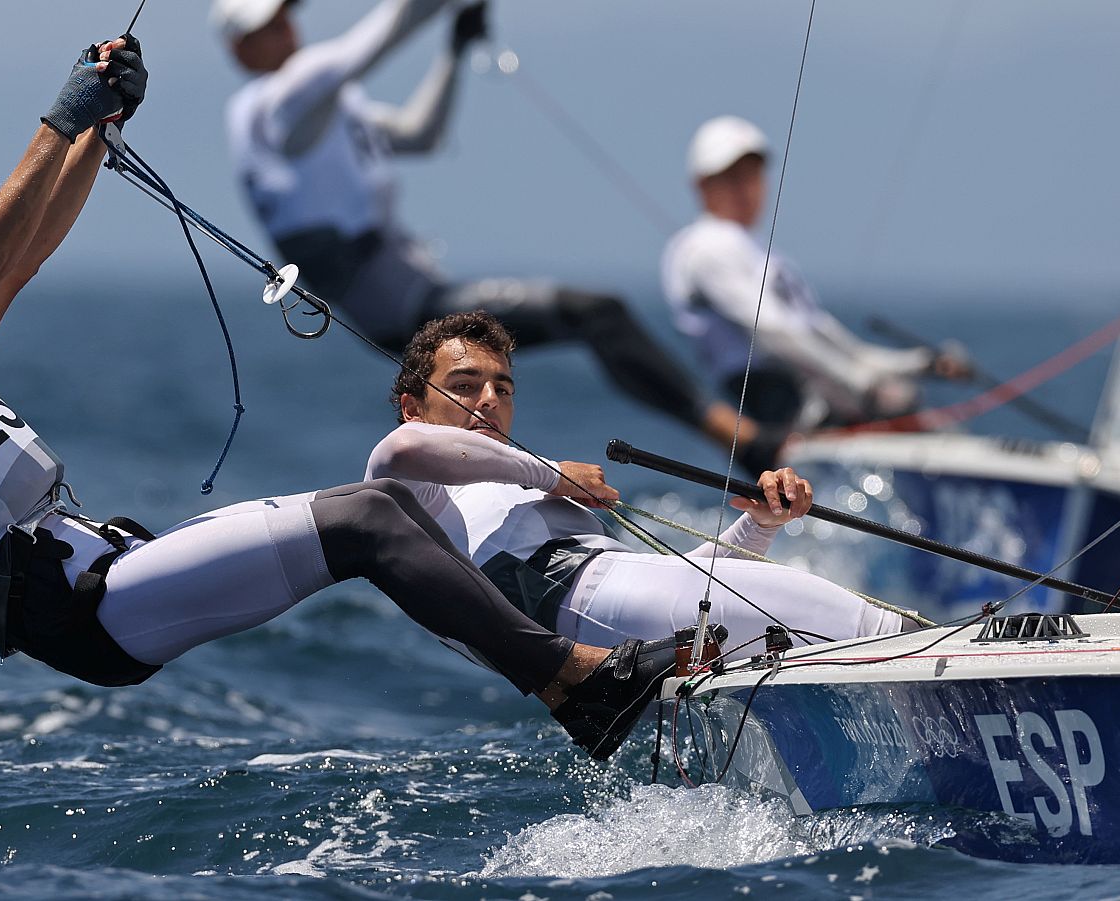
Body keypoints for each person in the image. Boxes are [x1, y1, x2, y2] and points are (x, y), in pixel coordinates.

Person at [0, 36, 678, 762]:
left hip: (108, 572)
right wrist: (57, 118)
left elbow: (14, 266)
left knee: (373, 516)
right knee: (364, 520)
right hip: (76, 607)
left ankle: (573, 672)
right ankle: (572, 683)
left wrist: (97, 134)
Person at [216, 0, 781, 473]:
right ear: (239, 50)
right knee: (596, 312)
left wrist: (454, 48)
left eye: (285, 17)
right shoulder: (275, 106)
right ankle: (747, 441)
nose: (285, 30)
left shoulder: (326, 108)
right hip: (407, 312)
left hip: (418, 301)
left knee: (592, 317)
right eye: (266, 27)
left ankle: (744, 436)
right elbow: (370, 43)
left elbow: (422, 134)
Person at [365, 311, 913, 663]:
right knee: (876, 627)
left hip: (622, 618)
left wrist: (760, 524)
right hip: (584, 615)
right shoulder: (420, 496)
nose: (488, 399)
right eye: (464, 386)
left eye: (502, 388)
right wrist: (551, 474)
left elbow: (679, 586)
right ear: (413, 406)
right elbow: (401, 448)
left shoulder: (510, 482)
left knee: (861, 632)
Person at [661, 115, 971, 432]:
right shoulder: (706, 245)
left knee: (914, 406)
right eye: (732, 177)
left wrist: (921, 363)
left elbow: (831, 340)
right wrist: (860, 382)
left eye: (753, 175)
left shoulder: (764, 255)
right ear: (701, 185)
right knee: (906, 408)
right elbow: (773, 332)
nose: (746, 188)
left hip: (819, 388)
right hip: (778, 399)